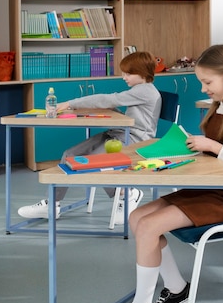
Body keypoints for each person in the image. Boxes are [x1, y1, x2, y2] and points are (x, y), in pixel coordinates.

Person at [91, 44, 223, 303]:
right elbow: (215, 155)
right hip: (210, 188)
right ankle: (176, 288)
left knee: (148, 226)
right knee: (137, 217)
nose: (203, 88)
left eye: (207, 82)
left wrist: (212, 146)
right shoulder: (220, 105)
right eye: (201, 82)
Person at [17, 51, 162, 226]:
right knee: (69, 154)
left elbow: (109, 99)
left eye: (128, 73)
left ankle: (127, 194)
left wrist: (71, 104)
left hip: (135, 139)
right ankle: (52, 205)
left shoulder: (145, 91)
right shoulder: (138, 90)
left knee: (93, 163)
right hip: (118, 133)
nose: (124, 77)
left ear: (143, 73)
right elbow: (115, 104)